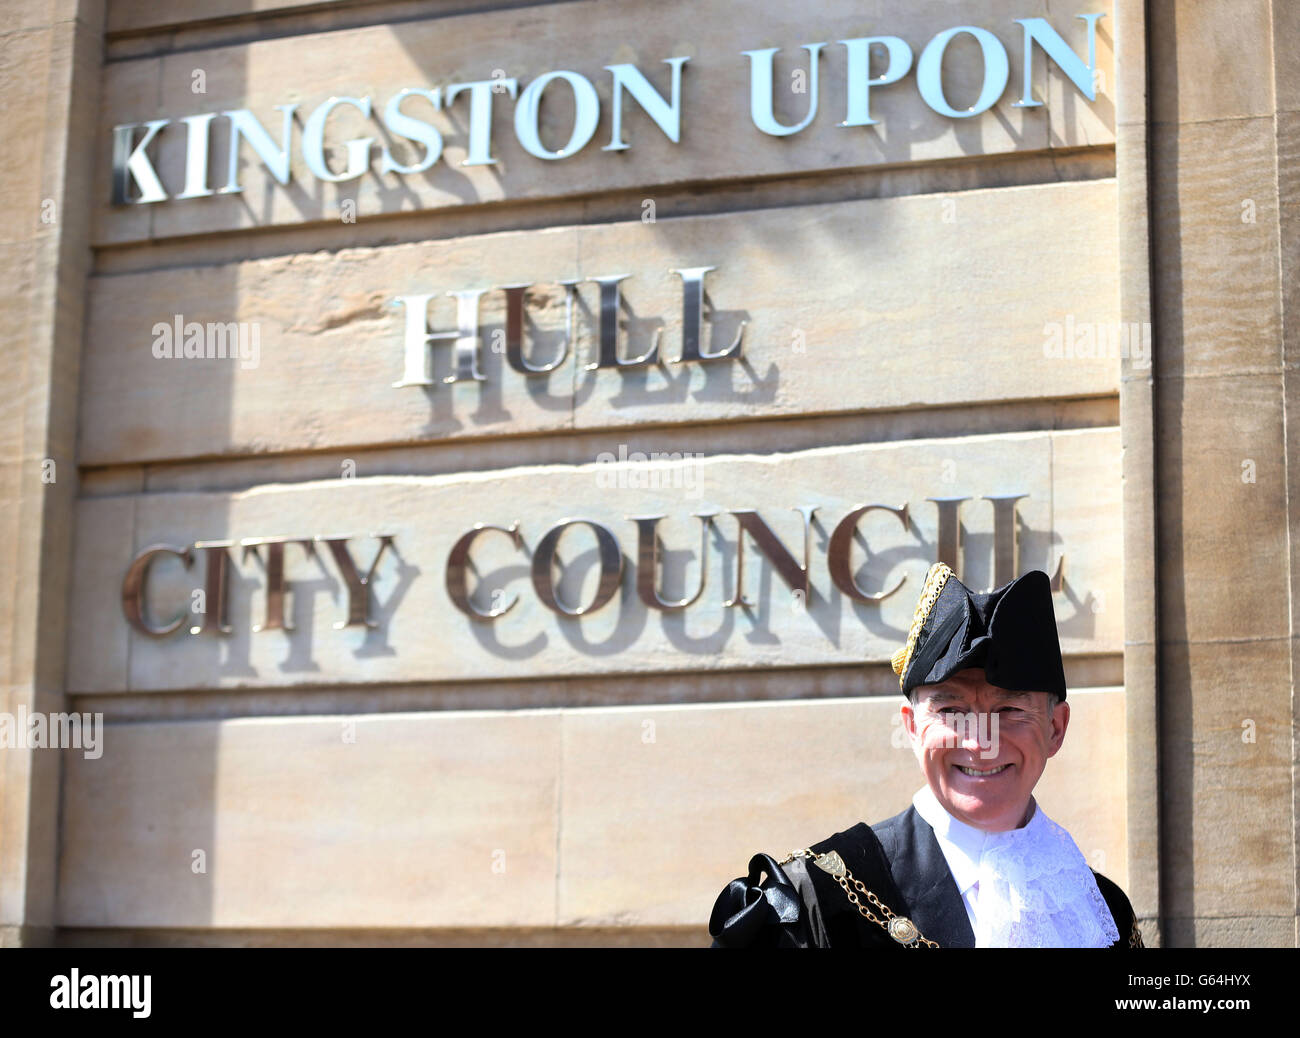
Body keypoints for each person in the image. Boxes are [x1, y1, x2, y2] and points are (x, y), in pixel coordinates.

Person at [707, 562, 1144, 948]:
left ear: (1055, 729)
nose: (977, 741)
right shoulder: (817, 898)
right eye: (951, 710)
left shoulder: (1102, 912)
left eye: (1008, 710)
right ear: (913, 727)